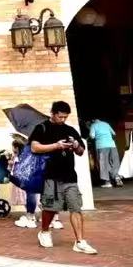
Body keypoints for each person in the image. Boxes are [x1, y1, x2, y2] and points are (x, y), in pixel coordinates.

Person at [30, 101, 97, 254]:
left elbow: (81, 152)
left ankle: (80, 241)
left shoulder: (70, 130)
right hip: (50, 175)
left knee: (76, 207)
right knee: (50, 208)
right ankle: (44, 231)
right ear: (52, 113)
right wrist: (56, 145)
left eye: (65, 117)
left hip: (70, 176)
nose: (63, 119)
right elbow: (34, 147)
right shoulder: (42, 128)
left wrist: (75, 145)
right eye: (60, 117)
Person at [89, 118, 122, 188]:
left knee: (103, 164)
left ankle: (107, 182)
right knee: (114, 162)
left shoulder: (93, 125)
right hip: (112, 145)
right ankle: (117, 178)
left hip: (101, 146)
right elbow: (114, 133)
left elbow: (92, 136)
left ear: (93, 120)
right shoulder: (106, 124)